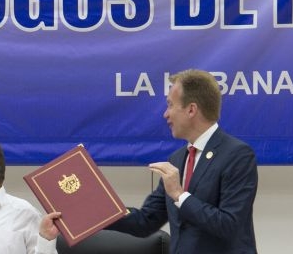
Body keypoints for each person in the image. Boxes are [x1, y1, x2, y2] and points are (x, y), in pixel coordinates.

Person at [107, 69, 258, 253]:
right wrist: (94, 214)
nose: (165, 114)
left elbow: (228, 224)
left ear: (191, 109)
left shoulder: (238, 155)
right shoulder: (177, 159)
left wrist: (179, 195)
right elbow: (145, 220)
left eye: (170, 105)